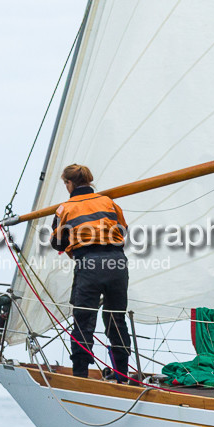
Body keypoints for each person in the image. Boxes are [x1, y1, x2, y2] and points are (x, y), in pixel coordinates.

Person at [51, 164, 132, 382]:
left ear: (69, 184)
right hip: (117, 263)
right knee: (116, 319)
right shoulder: (109, 202)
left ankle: (81, 376)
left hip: (89, 264)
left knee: (83, 320)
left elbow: (57, 243)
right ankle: (122, 375)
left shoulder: (64, 208)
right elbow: (123, 229)